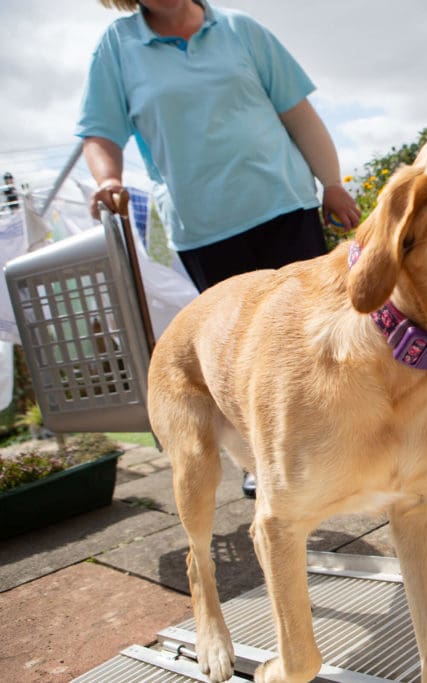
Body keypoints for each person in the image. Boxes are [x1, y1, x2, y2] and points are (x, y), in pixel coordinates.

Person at [77, 0, 361, 498]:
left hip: (283, 205)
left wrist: (332, 183)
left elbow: (298, 115)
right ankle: (262, 459)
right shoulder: (118, 47)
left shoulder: (238, 29)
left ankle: (349, 441)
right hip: (205, 227)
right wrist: (109, 178)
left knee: (316, 334)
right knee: (246, 352)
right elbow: (100, 132)